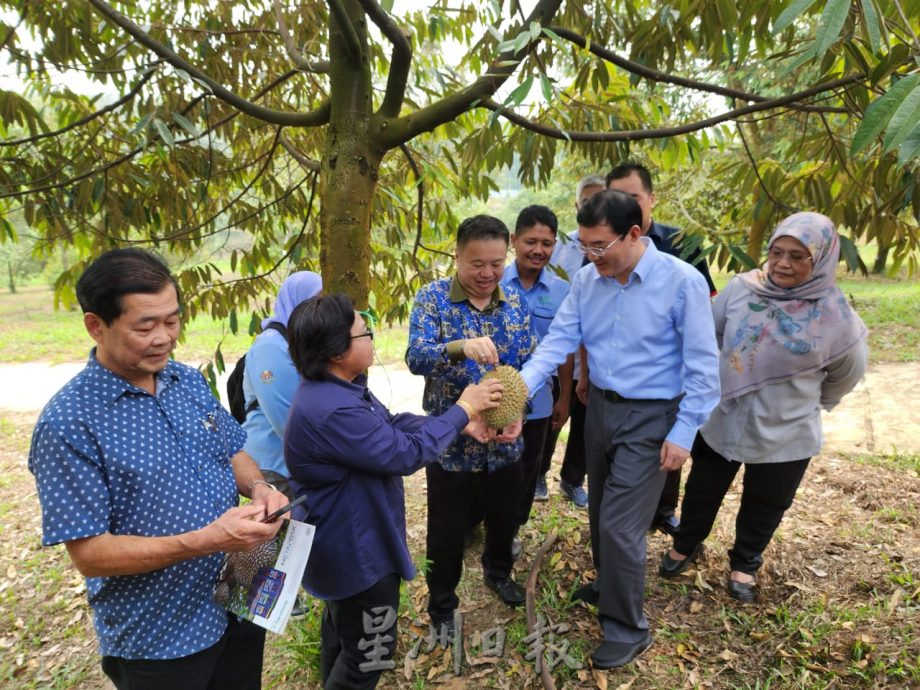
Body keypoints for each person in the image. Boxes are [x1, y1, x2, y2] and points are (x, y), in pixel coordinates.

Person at [28, 248, 288, 690]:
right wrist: (205, 541)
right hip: (162, 636)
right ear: (96, 325)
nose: (164, 337)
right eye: (145, 326)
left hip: (236, 597)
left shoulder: (184, 379)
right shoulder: (70, 422)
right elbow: (90, 554)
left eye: (172, 321)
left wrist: (260, 486)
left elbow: (231, 449)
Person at [518, 190, 720, 669]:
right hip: (601, 410)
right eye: (584, 245)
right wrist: (517, 389)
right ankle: (610, 584)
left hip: (652, 417)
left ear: (635, 233)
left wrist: (685, 430)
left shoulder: (681, 283)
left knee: (621, 524)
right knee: (601, 512)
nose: (590, 256)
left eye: (600, 246)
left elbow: (703, 366)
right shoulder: (588, 281)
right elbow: (558, 342)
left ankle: (628, 628)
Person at [283, 293, 501, 690]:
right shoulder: (334, 409)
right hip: (357, 554)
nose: (372, 336)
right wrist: (464, 409)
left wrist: (455, 423)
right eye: (363, 331)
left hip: (347, 543)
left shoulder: (337, 389)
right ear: (336, 350)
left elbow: (389, 425)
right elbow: (403, 453)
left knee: (344, 633)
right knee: (369, 656)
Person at [659, 212, 868, 603]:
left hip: (787, 428)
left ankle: (745, 562)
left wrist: (806, 402)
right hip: (723, 416)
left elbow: (846, 373)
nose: (783, 263)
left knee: (767, 501)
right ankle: (685, 545)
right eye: (777, 252)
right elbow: (711, 332)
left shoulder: (837, 317)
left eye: (797, 256)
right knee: (703, 487)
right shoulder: (742, 289)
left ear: (821, 260)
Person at [406, 214, 536, 627]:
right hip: (451, 445)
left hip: (503, 445)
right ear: (458, 255)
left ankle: (499, 574)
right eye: (477, 263)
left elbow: (528, 366)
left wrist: (519, 414)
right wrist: (459, 347)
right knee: (445, 533)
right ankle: (442, 603)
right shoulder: (432, 299)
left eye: (497, 264)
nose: (487, 273)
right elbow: (416, 357)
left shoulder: (515, 302)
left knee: (504, 518)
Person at [606, 161, 718, 536]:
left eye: (633, 197)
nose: (626, 205)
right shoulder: (601, 248)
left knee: (668, 452)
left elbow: (705, 317)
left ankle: (664, 510)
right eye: (616, 197)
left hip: (671, 378)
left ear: (651, 199)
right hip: (618, 378)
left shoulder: (683, 245)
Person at [502, 205, 572, 556]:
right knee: (492, 467)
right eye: (531, 241)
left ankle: (512, 527)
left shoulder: (561, 292)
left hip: (540, 402)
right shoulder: (493, 281)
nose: (538, 250)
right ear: (514, 240)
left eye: (547, 243)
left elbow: (566, 349)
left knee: (527, 469)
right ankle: (484, 522)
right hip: (496, 398)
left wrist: (565, 398)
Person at [542, 174, 606, 508]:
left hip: (596, 358)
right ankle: (539, 473)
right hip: (560, 352)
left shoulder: (613, 247)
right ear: (577, 205)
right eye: (588, 201)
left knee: (584, 425)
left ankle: (572, 479)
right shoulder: (562, 246)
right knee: (552, 414)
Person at [242, 270, 323, 498]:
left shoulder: (301, 341)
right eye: (312, 301)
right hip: (277, 466)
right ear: (294, 302)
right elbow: (286, 418)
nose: (317, 310)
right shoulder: (271, 347)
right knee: (290, 533)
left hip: (297, 463)